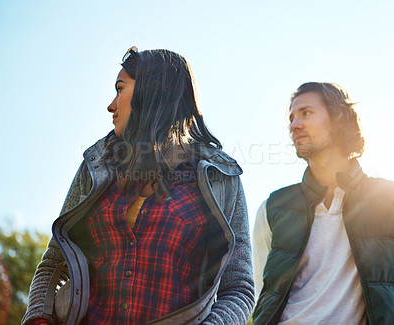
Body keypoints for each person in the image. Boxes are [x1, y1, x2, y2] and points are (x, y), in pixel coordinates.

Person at [22, 47, 254, 325]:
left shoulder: (219, 177)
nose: (111, 105)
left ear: (152, 92)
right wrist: (38, 319)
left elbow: (238, 288)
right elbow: (54, 263)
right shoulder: (96, 166)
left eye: (120, 89)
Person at [252, 82, 394, 324]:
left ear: (338, 119)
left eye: (306, 113)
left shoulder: (386, 200)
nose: (294, 126)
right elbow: (261, 293)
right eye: (292, 118)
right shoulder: (272, 208)